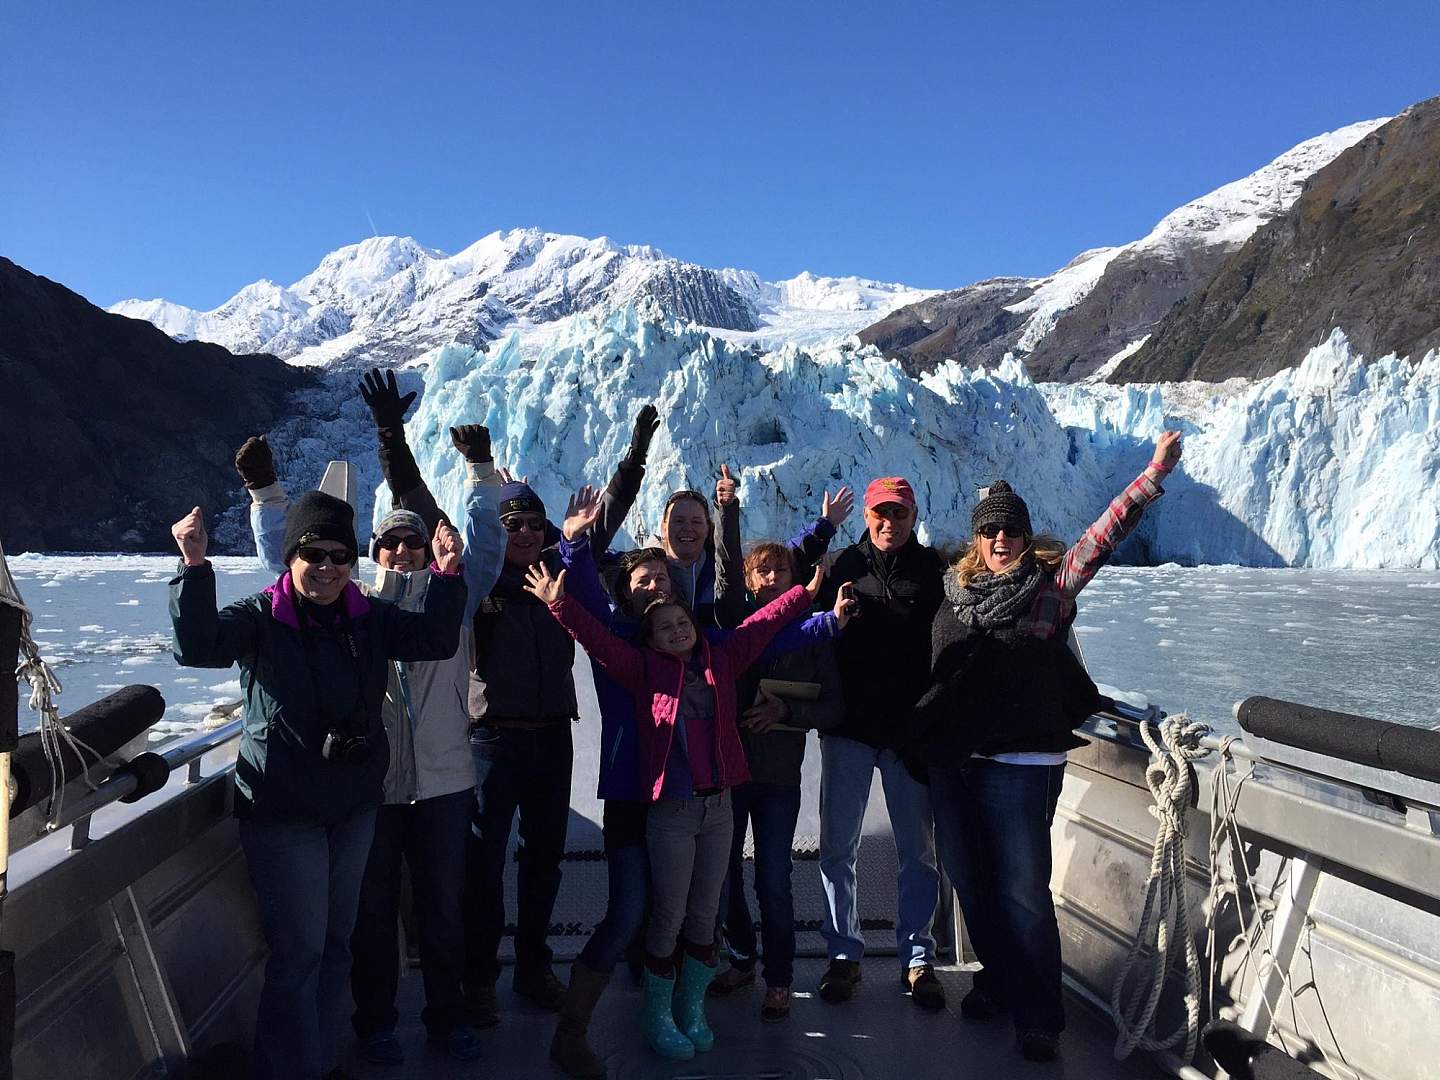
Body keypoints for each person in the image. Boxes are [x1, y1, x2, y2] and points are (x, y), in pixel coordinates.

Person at [235, 369, 506, 1066]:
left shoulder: (454, 598)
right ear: (373, 556)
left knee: (443, 913)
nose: (403, 552)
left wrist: (480, 471)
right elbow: (286, 559)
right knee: (370, 916)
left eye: (413, 543)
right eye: (390, 545)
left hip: (444, 783)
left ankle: (447, 1019)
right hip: (373, 787)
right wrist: (268, 495)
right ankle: (376, 1022)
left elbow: (486, 545)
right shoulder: (355, 604)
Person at [549, 481, 846, 1075]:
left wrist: (808, 594)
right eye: (643, 581)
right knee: (635, 913)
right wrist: (573, 547)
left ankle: (684, 1007)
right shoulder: (626, 654)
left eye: (662, 580)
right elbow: (583, 611)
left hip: (698, 803)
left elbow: (758, 626)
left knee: (694, 909)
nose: (655, 587)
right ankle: (578, 1030)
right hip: (638, 802)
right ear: (628, 594)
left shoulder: (701, 647)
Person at [168, 494, 466, 1080]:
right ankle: (289, 1068)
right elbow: (198, 647)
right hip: (284, 811)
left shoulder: (369, 619)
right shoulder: (261, 618)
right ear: (291, 557)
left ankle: (316, 1058)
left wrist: (449, 574)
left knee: (335, 944)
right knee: (301, 950)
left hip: (353, 808)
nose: (326, 567)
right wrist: (194, 567)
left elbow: (435, 640)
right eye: (312, 553)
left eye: (338, 555)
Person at [910, 431, 1183, 1063]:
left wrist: (1150, 476)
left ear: (1024, 536)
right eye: (990, 530)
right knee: (972, 888)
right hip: (957, 764)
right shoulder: (954, 594)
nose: (1000, 539)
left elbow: (1099, 540)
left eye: (1010, 529)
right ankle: (1000, 981)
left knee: (1025, 895)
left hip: (1021, 765)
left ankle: (1039, 1017)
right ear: (977, 540)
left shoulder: (1048, 591)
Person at [462, 406, 659, 1024]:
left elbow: (610, 517)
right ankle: (478, 978)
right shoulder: (483, 578)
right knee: (485, 862)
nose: (522, 532)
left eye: (532, 523)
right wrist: (480, 472)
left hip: (551, 740)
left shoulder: (561, 572)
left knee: (543, 858)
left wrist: (635, 454)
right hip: (491, 740)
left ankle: (532, 967)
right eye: (512, 522)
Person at [812, 477, 948, 1010]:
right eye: (879, 513)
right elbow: (806, 624)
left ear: (914, 515)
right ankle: (843, 955)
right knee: (836, 848)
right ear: (866, 516)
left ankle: (917, 959)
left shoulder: (934, 570)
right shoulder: (842, 566)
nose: (888, 522)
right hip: (849, 729)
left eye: (898, 512)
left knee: (918, 852)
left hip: (908, 735)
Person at [709, 540, 844, 1022]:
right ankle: (743, 957)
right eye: (761, 571)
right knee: (723, 875)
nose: (770, 579)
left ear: (792, 577)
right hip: (730, 771)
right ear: (748, 580)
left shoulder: (811, 634)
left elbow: (834, 705)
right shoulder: (733, 628)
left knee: (773, 876)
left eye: (778, 570)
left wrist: (789, 710)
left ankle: (779, 979)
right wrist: (728, 511)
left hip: (778, 778)